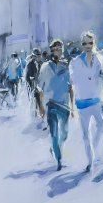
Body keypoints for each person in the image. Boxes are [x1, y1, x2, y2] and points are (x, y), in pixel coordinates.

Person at [68, 31, 103, 172]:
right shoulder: (75, 62)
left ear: (94, 43)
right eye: (84, 43)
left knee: (101, 125)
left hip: (96, 99)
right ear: (81, 45)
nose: (87, 46)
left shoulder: (100, 59)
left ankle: (92, 150)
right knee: (85, 134)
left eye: (90, 43)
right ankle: (90, 161)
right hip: (82, 101)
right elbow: (71, 81)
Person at [34, 39, 73, 167]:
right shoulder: (45, 67)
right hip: (51, 104)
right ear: (51, 50)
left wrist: (72, 106)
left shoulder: (66, 66)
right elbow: (39, 88)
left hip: (65, 105)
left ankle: (55, 150)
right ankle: (59, 160)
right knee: (55, 134)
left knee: (65, 134)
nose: (58, 51)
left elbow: (70, 86)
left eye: (60, 48)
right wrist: (40, 106)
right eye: (55, 49)